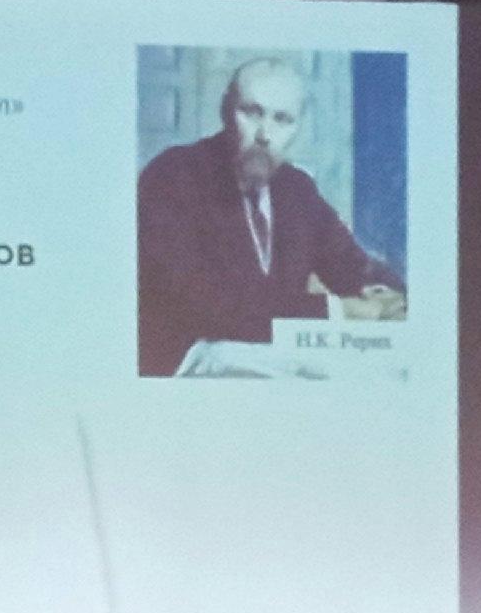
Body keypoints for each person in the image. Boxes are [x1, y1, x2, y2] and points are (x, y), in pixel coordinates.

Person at [136, 57, 405, 377]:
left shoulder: (297, 189)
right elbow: (205, 304)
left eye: (282, 119)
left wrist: (385, 296)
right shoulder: (173, 176)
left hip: (272, 356)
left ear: (299, 126)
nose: (265, 134)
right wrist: (335, 310)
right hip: (186, 363)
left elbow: (350, 264)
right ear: (225, 111)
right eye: (252, 112)